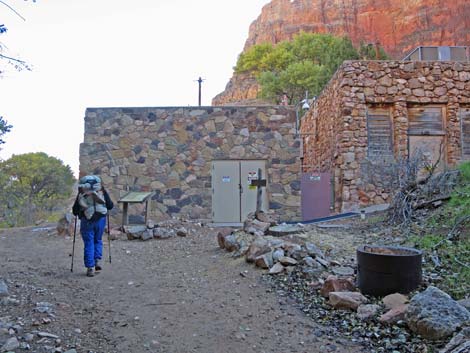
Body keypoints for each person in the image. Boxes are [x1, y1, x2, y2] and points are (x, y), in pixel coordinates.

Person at [72, 175, 114, 277]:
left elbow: (75, 211)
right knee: (98, 240)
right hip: (100, 219)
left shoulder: (82, 192)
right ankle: (96, 261)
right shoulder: (101, 191)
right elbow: (110, 205)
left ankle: (90, 268)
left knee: (89, 242)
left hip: (87, 221)